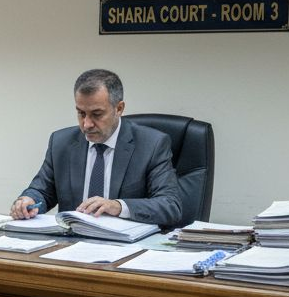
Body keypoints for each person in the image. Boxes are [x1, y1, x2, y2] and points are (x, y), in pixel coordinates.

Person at [11, 69, 182, 228]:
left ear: (119, 108)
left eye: (97, 114)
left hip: (125, 248)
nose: (87, 124)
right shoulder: (61, 142)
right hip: (70, 246)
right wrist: (27, 200)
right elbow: (41, 190)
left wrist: (117, 206)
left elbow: (170, 205)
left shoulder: (151, 144)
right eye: (81, 113)